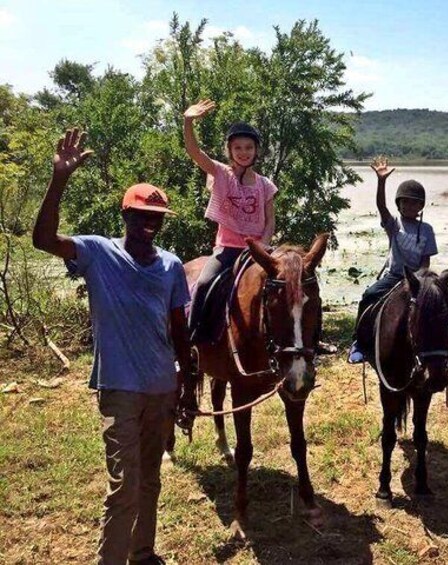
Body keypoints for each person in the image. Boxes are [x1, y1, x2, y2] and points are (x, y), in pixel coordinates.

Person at [32, 128, 191, 565]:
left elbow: (179, 330)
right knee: (125, 486)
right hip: (119, 389)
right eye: (140, 216)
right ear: (124, 214)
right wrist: (59, 179)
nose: (148, 224)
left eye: (156, 218)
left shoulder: (172, 266)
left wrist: (187, 386)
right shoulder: (97, 253)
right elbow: (43, 240)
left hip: (162, 388)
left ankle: (142, 554)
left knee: (152, 480)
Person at [182, 99, 277, 343]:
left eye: (248, 148)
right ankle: (193, 341)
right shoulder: (221, 174)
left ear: (256, 151)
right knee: (203, 284)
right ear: (230, 150)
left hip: (257, 251)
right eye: (238, 148)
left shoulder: (265, 185)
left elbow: (270, 222)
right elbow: (194, 152)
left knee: (292, 281)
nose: (244, 152)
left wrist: (264, 245)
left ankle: (301, 341)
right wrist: (188, 121)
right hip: (226, 250)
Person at [347, 156, 438, 364]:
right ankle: (358, 342)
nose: (408, 205)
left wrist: (420, 279)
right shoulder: (394, 224)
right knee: (368, 295)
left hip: (416, 279)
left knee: (439, 302)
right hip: (394, 276)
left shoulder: (427, 230)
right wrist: (381, 181)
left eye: (413, 202)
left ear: (421, 206)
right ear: (398, 204)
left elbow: (426, 261)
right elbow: (381, 206)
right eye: (404, 201)